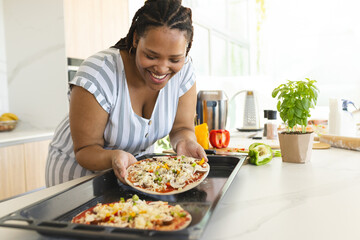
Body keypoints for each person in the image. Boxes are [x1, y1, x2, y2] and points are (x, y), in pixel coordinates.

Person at [45, 0, 207, 187]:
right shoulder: (99, 73)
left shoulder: (185, 71)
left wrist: (185, 142)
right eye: (151, 56)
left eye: (175, 59)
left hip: (135, 174)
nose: (162, 68)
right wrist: (115, 156)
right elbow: (85, 149)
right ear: (136, 38)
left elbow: (181, 129)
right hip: (78, 178)